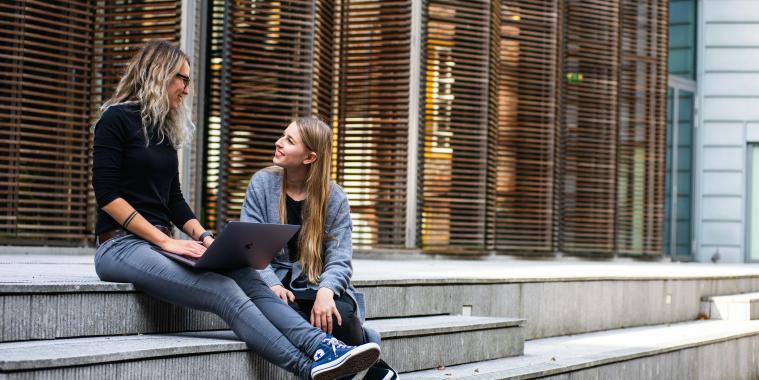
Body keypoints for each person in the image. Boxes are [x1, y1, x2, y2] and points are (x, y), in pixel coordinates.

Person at [91, 40, 379, 380]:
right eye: (182, 78)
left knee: (248, 275)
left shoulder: (163, 132)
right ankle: (307, 368)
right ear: (160, 73)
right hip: (121, 246)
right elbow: (108, 196)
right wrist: (166, 241)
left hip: (158, 245)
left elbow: (173, 201)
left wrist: (206, 237)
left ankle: (323, 347)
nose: (187, 87)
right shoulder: (115, 119)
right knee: (224, 290)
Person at [240, 117, 398, 379]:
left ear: (309, 157)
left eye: (289, 141)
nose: (278, 143)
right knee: (284, 314)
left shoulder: (334, 196)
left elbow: (340, 258)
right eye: (283, 135)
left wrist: (326, 292)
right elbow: (250, 244)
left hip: (315, 282)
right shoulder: (262, 183)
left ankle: (362, 365)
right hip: (275, 283)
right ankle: (372, 372)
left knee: (342, 316)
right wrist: (271, 284)